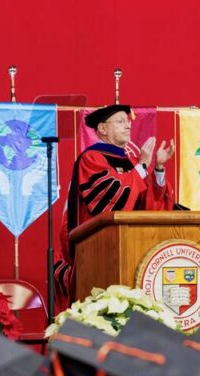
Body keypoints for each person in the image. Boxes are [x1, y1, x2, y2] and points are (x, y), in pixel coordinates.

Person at [54, 104, 176, 310]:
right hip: (99, 252)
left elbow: (151, 205)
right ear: (102, 128)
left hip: (134, 250)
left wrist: (158, 168)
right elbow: (110, 201)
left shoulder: (132, 163)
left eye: (128, 122)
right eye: (120, 121)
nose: (128, 126)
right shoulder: (91, 158)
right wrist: (142, 167)